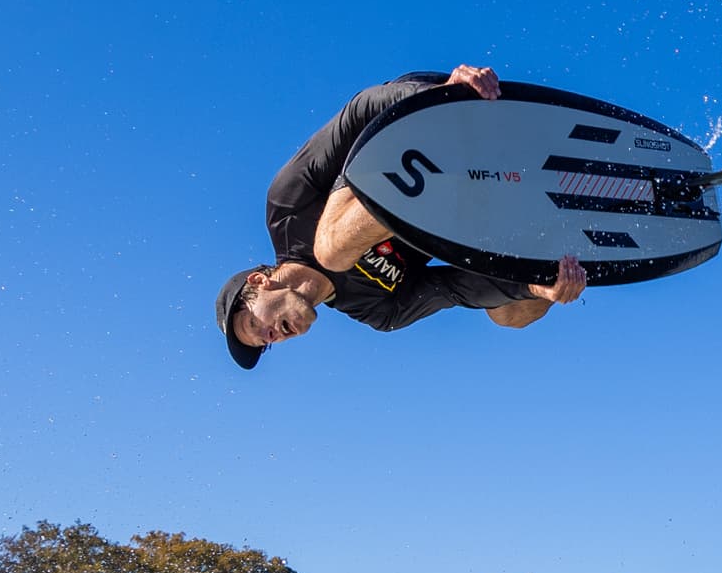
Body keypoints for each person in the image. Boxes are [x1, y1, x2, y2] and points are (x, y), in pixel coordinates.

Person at [217, 66, 589, 369]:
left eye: (253, 323)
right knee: (511, 315)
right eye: (264, 344)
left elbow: (358, 114)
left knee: (330, 251)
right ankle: (546, 246)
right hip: (479, 203)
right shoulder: (375, 310)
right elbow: (455, 288)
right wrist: (534, 287)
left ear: (259, 281)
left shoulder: (285, 211)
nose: (270, 337)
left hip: (421, 121)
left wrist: (437, 96)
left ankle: (447, 133)